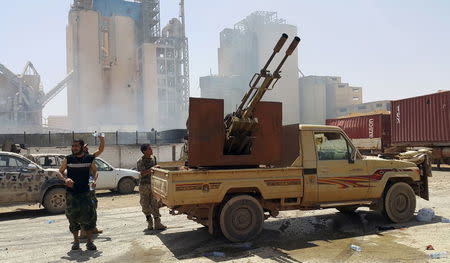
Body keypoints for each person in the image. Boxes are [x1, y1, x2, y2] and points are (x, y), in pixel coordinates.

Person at [57, 137, 104, 251]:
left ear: (82, 147)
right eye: (73, 146)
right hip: (72, 194)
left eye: (76, 146)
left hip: (85, 193)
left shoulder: (89, 158)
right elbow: (59, 172)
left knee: (88, 217)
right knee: (72, 218)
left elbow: (95, 171)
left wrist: (94, 180)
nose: (74, 148)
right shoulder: (68, 159)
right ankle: (76, 242)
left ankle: (89, 242)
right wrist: (65, 180)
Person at [137, 144, 166, 231]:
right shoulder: (140, 161)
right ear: (144, 151)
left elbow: (156, 171)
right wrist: (153, 168)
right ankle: (149, 222)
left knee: (154, 204)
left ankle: (158, 223)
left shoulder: (154, 158)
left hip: (153, 184)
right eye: (149, 149)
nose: (151, 150)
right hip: (144, 185)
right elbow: (142, 173)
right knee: (145, 204)